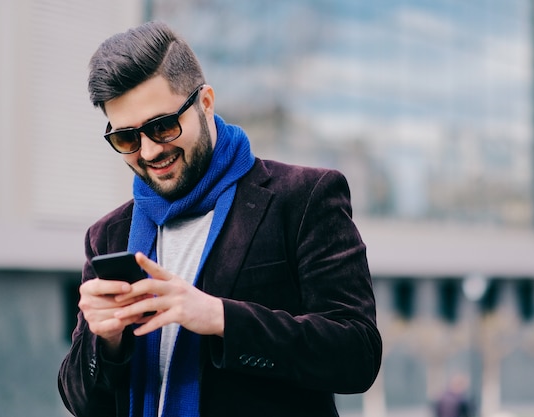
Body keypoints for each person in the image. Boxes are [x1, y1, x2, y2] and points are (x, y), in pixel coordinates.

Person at [57, 20, 382, 417]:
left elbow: (356, 354)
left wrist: (222, 318)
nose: (148, 151)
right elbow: (81, 402)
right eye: (126, 138)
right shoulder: (108, 236)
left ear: (205, 103)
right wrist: (102, 339)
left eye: (162, 127)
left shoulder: (303, 198)